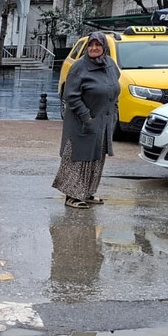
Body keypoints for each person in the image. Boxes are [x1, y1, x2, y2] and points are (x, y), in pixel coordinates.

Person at [53, 32, 118, 209]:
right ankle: (72, 195)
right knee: (78, 158)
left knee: (96, 158)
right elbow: (71, 96)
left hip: (103, 121)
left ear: (104, 47)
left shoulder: (110, 65)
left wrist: (113, 108)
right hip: (82, 122)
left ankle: (87, 192)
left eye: (98, 45)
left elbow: (115, 84)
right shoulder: (79, 67)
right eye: (91, 45)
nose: (94, 48)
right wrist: (86, 116)